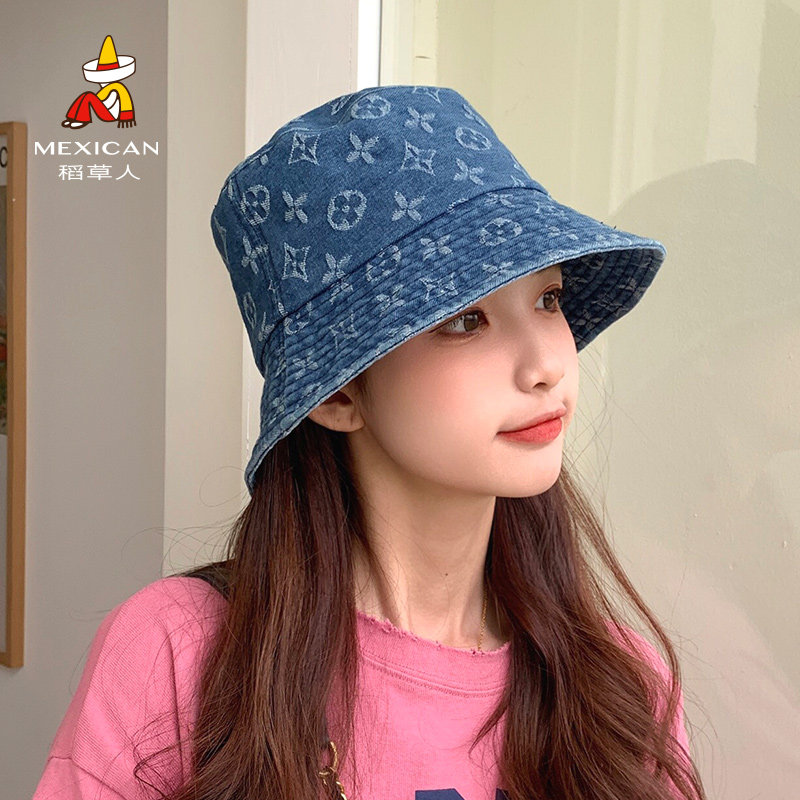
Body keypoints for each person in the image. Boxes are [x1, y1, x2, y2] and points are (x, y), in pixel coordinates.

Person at [31, 85, 706, 800]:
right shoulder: (181, 653)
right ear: (339, 394)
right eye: (464, 320)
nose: (546, 365)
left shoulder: (619, 690)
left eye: (548, 299)